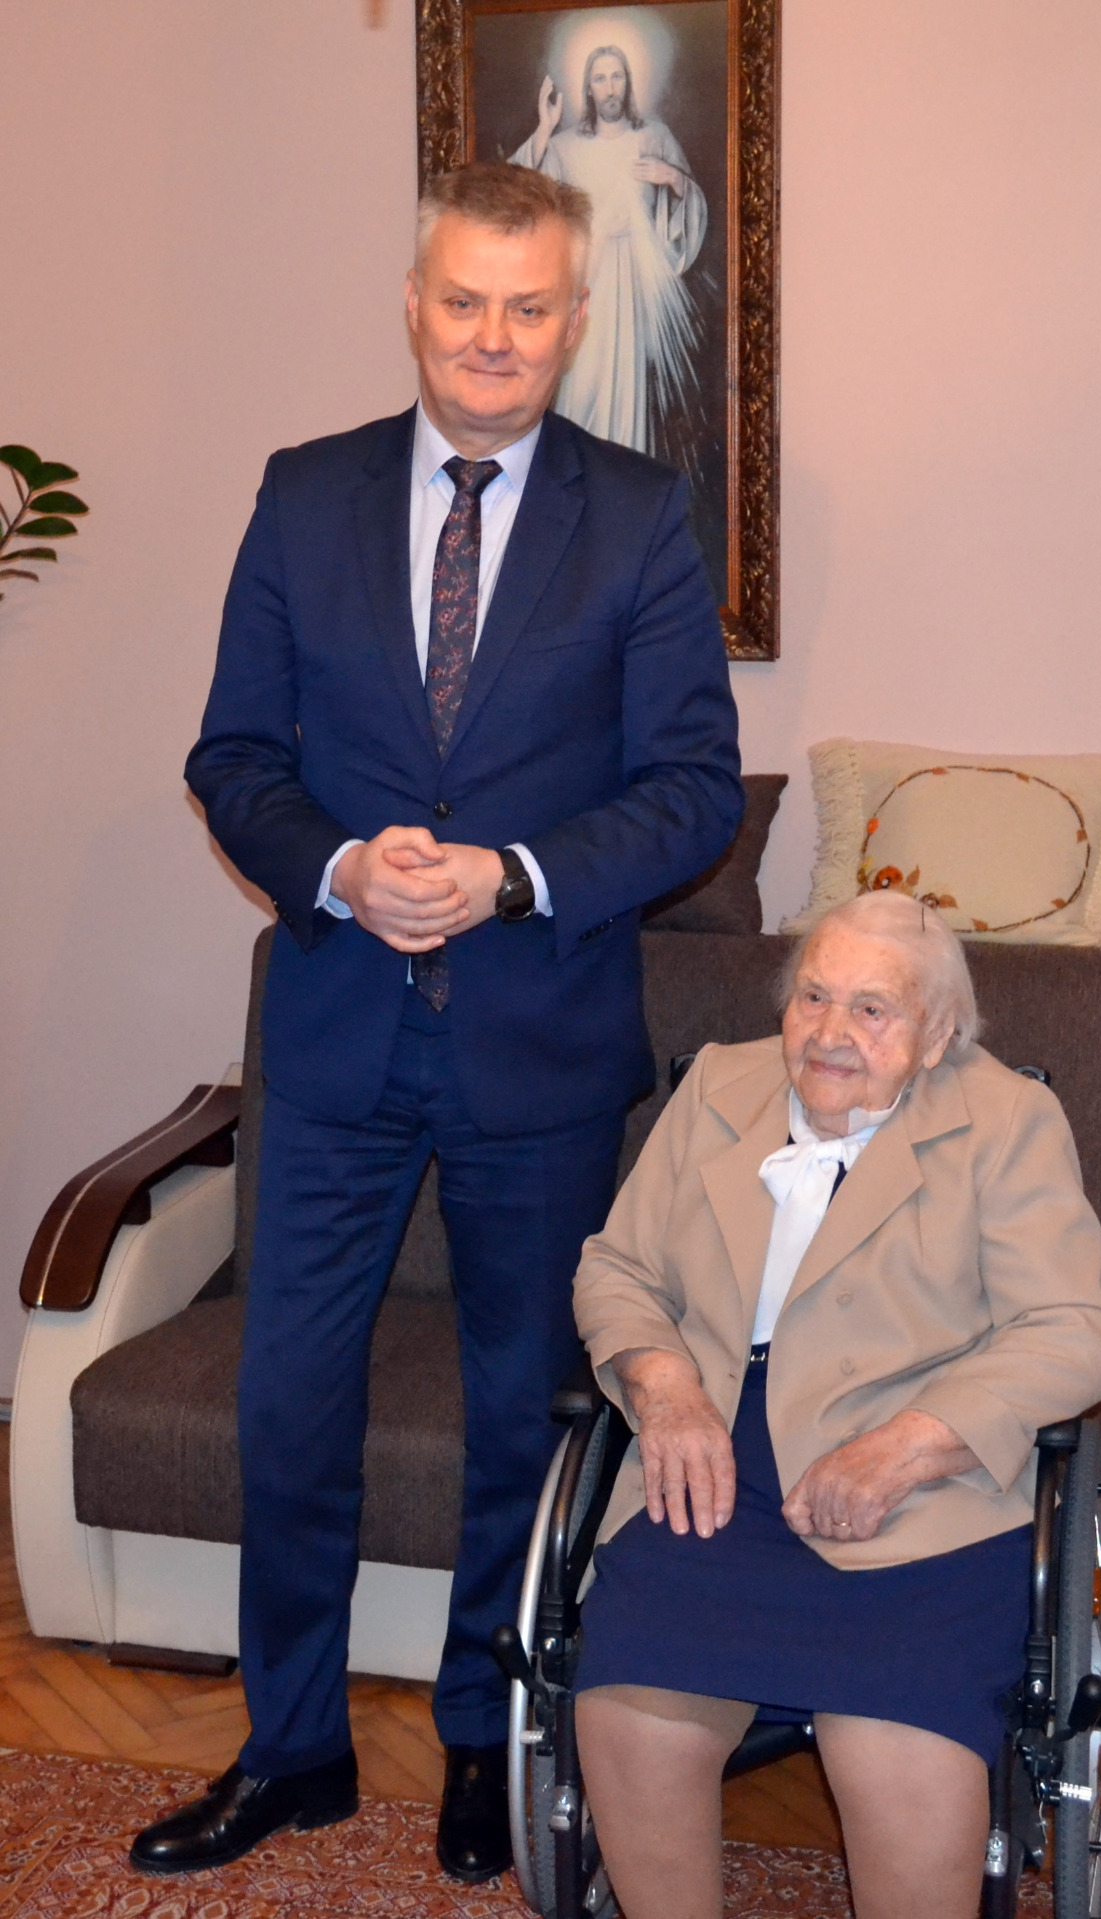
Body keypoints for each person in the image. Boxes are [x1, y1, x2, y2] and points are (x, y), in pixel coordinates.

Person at [129, 160, 742, 1885]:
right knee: (287, 1405)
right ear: (414, 306)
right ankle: (292, 1746)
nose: (493, 335)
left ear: (574, 317)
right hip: (333, 1037)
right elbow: (232, 755)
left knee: (519, 1413)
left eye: (528, 307)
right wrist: (337, 864)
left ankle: (486, 1734)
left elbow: (694, 790)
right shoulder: (303, 491)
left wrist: (513, 875)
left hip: (539, 1045)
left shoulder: (640, 514)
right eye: (464, 300)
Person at [571, 892, 1101, 1919]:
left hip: (917, 1496)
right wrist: (665, 1387)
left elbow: (1076, 1325)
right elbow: (617, 1268)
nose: (830, 1032)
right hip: (712, 1469)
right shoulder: (719, 1084)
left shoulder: (1005, 1120)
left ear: (937, 1034)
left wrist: (911, 1444)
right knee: (631, 1715)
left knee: (892, 1747)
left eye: (871, 1009)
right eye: (812, 996)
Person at [511, 45, 706, 454]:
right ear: (588, 88)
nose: (610, 87)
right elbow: (512, 194)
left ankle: (621, 480)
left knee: (628, 394)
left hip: (635, 289)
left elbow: (692, 207)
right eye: (600, 79)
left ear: (628, 82)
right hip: (587, 287)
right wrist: (544, 128)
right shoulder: (565, 146)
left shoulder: (654, 137)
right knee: (581, 388)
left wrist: (674, 178)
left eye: (617, 76)